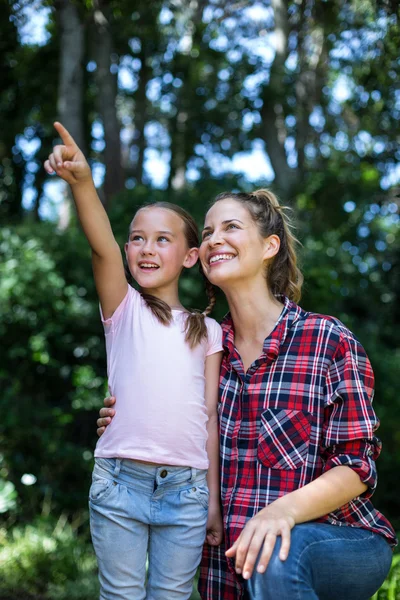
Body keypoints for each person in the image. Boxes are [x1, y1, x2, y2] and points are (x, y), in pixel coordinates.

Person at [98, 188, 397, 600]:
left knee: (275, 553)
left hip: (338, 539)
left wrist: (282, 513)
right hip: (230, 565)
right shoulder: (203, 351)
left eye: (231, 228)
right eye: (207, 232)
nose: (214, 239)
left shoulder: (326, 339)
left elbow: (357, 468)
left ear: (269, 246)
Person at [44, 122, 224, 600]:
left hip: (187, 492)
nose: (147, 248)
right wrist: (83, 181)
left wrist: (212, 500)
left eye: (163, 239)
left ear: (189, 257)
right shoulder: (123, 308)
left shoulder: (208, 330)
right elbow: (100, 243)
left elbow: (208, 419)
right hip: (119, 482)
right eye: (138, 238)